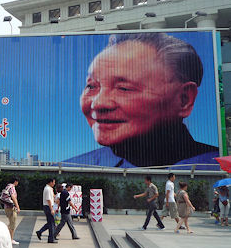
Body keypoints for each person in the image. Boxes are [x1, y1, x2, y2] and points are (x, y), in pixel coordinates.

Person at [65, 32, 218, 168]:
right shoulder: (72, 169)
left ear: (183, 99)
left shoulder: (214, 166)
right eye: (92, 86)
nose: (98, 104)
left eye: (123, 88)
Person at [36, 178, 57, 243]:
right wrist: (51, 209)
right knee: (51, 223)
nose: (54, 183)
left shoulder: (50, 189)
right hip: (48, 207)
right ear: (50, 182)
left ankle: (40, 232)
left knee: (51, 223)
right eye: (53, 182)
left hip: (49, 207)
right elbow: (48, 200)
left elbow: (52, 197)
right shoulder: (47, 189)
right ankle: (51, 239)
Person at [2, 177, 21, 245]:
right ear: (15, 181)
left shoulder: (7, 186)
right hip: (11, 208)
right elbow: (13, 197)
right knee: (12, 224)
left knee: (10, 223)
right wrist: (18, 207)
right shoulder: (12, 187)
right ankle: (11, 239)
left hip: (6, 207)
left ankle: (5, 236)